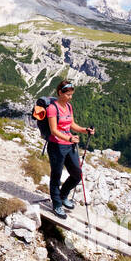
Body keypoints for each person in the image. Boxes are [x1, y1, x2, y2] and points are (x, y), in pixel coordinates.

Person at [35, 80, 95, 218]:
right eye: (68, 94)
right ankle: (56, 204)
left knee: (77, 174)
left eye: (71, 94)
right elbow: (54, 130)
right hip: (56, 146)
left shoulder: (68, 106)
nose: (70, 97)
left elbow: (71, 124)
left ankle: (63, 195)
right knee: (56, 176)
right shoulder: (52, 109)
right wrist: (68, 138)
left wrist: (85, 130)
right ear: (60, 93)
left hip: (69, 146)